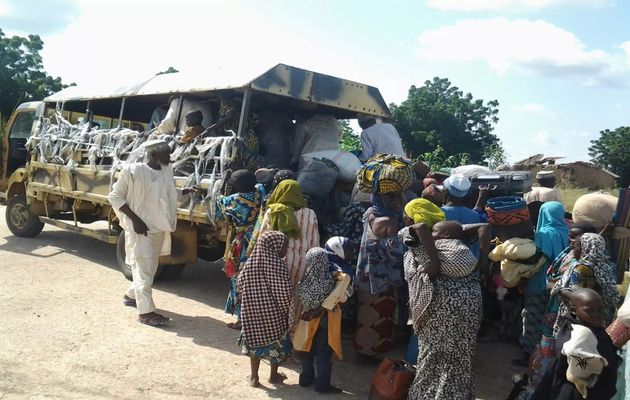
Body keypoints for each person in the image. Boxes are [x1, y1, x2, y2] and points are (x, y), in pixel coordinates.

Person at [400, 198, 491, 399]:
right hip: (470, 304)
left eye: (406, 214)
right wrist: (482, 264)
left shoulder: (413, 235)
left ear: (411, 217)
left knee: (431, 354)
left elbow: (421, 226)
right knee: (461, 354)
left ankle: (424, 396)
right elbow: (484, 227)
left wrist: (433, 263)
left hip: (438, 306)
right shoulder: (455, 235)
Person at [109, 140, 197, 326]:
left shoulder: (165, 170)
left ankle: (132, 295)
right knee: (144, 268)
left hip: (159, 229)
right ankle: (146, 312)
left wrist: (184, 191)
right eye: (166, 154)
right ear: (154, 155)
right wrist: (136, 220)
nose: (170, 157)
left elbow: (167, 193)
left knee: (148, 266)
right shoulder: (133, 171)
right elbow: (115, 197)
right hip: (141, 229)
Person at [248, 179, 319, 334]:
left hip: (276, 265)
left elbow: (263, 238)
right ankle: (293, 335)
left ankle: (274, 334)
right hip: (302, 264)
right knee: (297, 301)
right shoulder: (310, 214)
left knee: (274, 300)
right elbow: (315, 242)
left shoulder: (272, 211)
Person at [532, 289, 620, 400]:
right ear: (574, 310)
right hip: (576, 392)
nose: (597, 314)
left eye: (600, 309)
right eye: (589, 311)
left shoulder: (573, 325)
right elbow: (581, 373)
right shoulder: (582, 335)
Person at [295, 240, 354, 394]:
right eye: (348, 250)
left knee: (308, 346)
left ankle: (306, 378)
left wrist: (312, 310)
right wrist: (319, 310)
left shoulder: (317, 265)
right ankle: (322, 385)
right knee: (324, 352)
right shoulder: (342, 274)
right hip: (326, 317)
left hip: (308, 313)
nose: (352, 253)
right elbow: (335, 297)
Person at [237, 231, 293, 387]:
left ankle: (254, 377)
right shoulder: (276, 265)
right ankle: (273, 376)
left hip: (251, 314)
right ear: (274, 246)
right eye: (285, 246)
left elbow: (240, 284)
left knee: (254, 342)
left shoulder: (251, 262)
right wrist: (286, 308)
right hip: (273, 316)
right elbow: (284, 292)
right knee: (276, 345)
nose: (286, 250)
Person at [354, 192, 406, 358]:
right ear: (385, 200)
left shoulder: (369, 213)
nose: (400, 201)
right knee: (381, 315)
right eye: (395, 197)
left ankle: (361, 350)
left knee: (365, 315)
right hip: (382, 280)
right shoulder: (389, 222)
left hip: (365, 275)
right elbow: (396, 253)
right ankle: (373, 354)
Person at [215, 170, 266, 330]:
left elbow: (219, 211)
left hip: (242, 243)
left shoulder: (234, 200)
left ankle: (241, 319)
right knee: (255, 278)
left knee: (239, 278)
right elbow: (261, 183)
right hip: (257, 237)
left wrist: (221, 187)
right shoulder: (260, 192)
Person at [552, 233, 619, 333]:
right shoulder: (607, 267)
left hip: (581, 318)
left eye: (576, 247)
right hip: (602, 316)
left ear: (585, 248)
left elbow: (575, 295)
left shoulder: (581, 269)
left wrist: (559, 289)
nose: (573, 250)